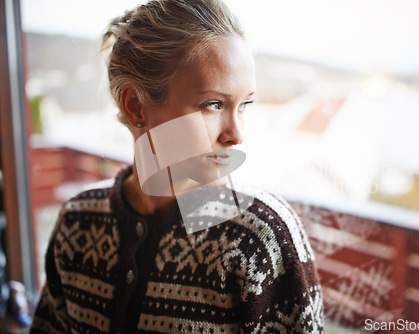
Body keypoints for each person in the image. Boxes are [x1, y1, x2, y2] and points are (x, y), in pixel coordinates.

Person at [30, 0, 324, 333]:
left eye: (245, 105)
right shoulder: (78, 221)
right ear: (135, 106)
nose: (236, 135)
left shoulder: (261, 237)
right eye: (213, 104)